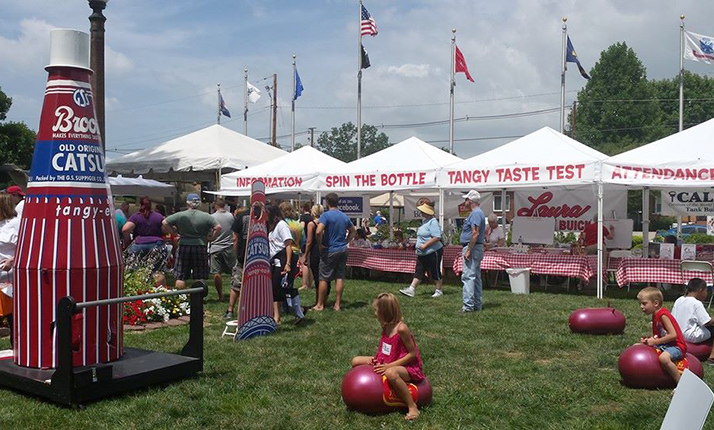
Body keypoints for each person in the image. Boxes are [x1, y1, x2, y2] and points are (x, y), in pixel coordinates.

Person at [351, 293, 425, 421]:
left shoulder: (402, 329)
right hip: (387, 360)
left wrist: (389, 366)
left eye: (376, 310)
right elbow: (386, 348)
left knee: (391, 373)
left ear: (384, 312)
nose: (374, 313)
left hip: (407, 366)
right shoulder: (385, 326)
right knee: (356, 360)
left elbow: (412, 354)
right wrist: (376, 359)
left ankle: (412, 406)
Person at [163, 193, 221, 292]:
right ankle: (198, 298)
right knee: (199, 275)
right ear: (198, 204)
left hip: (183, 245)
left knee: (181, 276)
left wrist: (173, 233)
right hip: (200, 246)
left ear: (187, 203)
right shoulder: (206, 216)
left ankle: (180, 297)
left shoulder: (180, 215)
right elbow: (218, 227)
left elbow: (165, 222)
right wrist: (212, 238)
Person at [313, 193, 356, 311]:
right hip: (342, 249)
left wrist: (320, 244)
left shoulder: (325, 216)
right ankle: (337, 304)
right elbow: (353, 231)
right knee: (340, 276)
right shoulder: (344, 216)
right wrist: (346, 241)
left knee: (324, 277)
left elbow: (318, 231)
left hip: (330, 249)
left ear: (327, 202)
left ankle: (320, 304)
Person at [637, 286, 687, 384]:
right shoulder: (655, 315)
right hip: (665, 345)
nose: (641, 307)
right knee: (637, 346)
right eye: (640, 304)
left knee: (664, 358)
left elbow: (673, 335)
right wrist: (649, 340)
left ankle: (680, 383)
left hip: (676, 346)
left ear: (655, 303)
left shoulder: (663, 315)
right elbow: (660, 335)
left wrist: (655, 342)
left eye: (644, 304)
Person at [267, 203, 304, 325]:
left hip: (284, 259)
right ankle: (279, 315)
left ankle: (298, 312)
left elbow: (288, 244)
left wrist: (288, 263)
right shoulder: (272, 226)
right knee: (277, 288)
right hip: (275, 260)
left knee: (283, 288)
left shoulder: (282, 225)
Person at [400, 202, 444, 298]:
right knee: (419, 270)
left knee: (434, 270)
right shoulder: (425, 221)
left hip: (433, 251)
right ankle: (412, 289)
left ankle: (439, 290)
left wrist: (425, 245)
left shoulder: (433, 222)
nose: (421, 212)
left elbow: (437, 237)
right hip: (422, 252)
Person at [672, 278, 714, 364]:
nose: (706, 294)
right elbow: (707, 323)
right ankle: (712, 357)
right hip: (690, 336)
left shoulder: (679, 300)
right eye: (706, 291)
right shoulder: (696, 303)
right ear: (700, 290)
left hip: (677, 334)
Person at [461, 190, 486, 312]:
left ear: (470, 201)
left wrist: (469, 250)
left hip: (473, 247)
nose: (464, 201)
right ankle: (477, 304)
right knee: (475, 276)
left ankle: (468, 306)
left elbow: (475, 233)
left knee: (468, 276)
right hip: (477, 247)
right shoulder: (479, 213)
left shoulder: (475, 213)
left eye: (466, 199)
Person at [0, 194, 20, 346]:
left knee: (13, 317)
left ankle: (17, 349)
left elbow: (26, 246)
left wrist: (12, 260)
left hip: (10, 280)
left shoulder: (15, 223)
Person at [300, 204, 329, 307]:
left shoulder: (311, 224)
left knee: (317, 276)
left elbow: (309, 241)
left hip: (315, 250)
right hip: (325, 249)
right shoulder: (325, 222)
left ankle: (318, 301)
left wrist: (306, 254)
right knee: (325, 276)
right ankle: (324, 299)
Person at [208, 199, 236, 302]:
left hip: (215, 247)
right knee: (234, 272)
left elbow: (210, 232)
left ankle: (220, 295)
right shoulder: (231, 216)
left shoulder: (212, 217)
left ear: (215, 205)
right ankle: (235, 292)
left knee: (216, 272)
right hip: (229, 246)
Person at [225, 206, 250, 320]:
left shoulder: (241, 216)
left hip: (242, 254)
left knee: (236, 284)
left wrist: (236, 253)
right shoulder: (264, 216)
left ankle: (230, 310)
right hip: (258, 255)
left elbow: (235, 238)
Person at [299, 202, 314, 290]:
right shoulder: (312, 218)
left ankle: (304, 284)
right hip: (313, 241)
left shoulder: (303, 217)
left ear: (302, 208)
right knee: (310, 263)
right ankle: (310, 283)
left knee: (304, 263)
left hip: (305, 242)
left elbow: (301, 227)